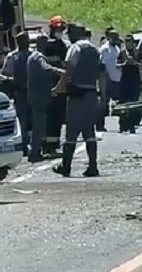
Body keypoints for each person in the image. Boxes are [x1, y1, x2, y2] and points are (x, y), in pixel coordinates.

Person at [52, 23, 100, 177]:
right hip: (92, 93)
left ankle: (66, 166)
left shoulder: (75, 48)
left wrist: (58, 87)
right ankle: (93, 166)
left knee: (71, 131)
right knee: (89, 131)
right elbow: (102, 72)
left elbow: (69, 70)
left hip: (77, 94)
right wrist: (104, 95)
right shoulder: (95, 50)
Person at [27, 35, 65, 162]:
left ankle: (36, 151)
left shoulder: (33, 56)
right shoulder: (39, 57)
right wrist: (60, 71)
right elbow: (46, 68)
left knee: (39, 125)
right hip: (39, 96)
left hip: (37, 95)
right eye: (46, 42)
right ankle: (35, 152)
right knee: (39, 126)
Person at [1, 32, 31, 156]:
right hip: (19, 92)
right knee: (22, 119)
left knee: (34, 119)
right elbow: (5, 73)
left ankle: (35, 144)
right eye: (21, 40)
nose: (24, 42)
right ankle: (24, 145)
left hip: (33, 91)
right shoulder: (12, 57)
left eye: (25, 39)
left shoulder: (33, 54)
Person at [44, 16, 69, 154]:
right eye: (58, 29)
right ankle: (48, 145)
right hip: (50, 86)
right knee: (51, 117)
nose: (60, 31)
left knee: (58, 117)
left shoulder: (62, 45)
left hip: (60, 86)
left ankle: (53, 144)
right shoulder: (47, 45)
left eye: (61, 29)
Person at [96, 28, 122, 132]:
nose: (115, 39)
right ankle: (99, 125)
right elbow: (101, 64)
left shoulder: (116, 48)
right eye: (113, 37)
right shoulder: (104, 48)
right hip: (107, 79)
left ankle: (122, 125)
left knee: (119, 103)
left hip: (117, 79)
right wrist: (105, 77)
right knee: (103, 103)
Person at [117, 34, 142, 134]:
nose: (128, 44)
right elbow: (117, 64)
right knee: (123, 102)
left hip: (135, 80)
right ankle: (122, 125)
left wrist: (135, 63)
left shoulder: (138, 53)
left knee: (134, 103)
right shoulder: (122, 53)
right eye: (127, 42)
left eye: (130, 42)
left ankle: (132, 125)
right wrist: (124, 64)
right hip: (125, 80)